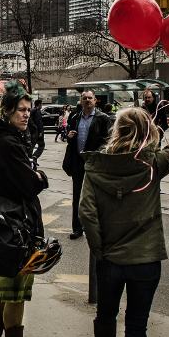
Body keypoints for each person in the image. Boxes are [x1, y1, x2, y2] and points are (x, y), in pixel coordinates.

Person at [78, 84, 169, 337]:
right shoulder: (152, 164)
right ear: (147, 131)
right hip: (145, 259)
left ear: (117, 130)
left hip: (109, 259)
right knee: (137, 324)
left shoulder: (96, 166)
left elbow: (86, 213)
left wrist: (100, 250)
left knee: (105, 315)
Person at [0, 81, 49, 337]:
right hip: (14, 228)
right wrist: (40, 176)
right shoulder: (9, 143)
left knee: (4, 288)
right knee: (16, 291)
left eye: (29, 110)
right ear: (7, 111)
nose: (26, 115)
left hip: (3, 226)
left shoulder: (2, 139)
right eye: (21, 110)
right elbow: (30, 183)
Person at [63, 90, 111, 240]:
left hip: (95, 163)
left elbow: (108, 140)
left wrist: (96, 154)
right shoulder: (75, 117)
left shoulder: (103, 118)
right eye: (85, 98)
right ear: (81, 101)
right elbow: (70, 136)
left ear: (95, 100)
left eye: (90, 98)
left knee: (97, 196)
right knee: (77, 196)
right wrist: (69, 136)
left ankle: (99, 228)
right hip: (78, 162)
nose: (88, 100)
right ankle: (77, 228)